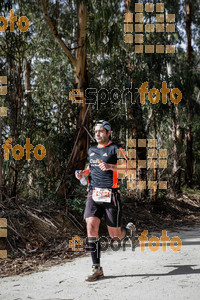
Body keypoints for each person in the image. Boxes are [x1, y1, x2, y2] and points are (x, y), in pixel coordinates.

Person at [75, 120, 136, 282]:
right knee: (91, 227)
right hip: (93, 194)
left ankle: (129, 232)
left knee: (115, 235)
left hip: (111, 195)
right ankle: (96, 268)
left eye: (101, 131)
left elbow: (130, 168)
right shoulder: (92, 150)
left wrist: (111, 167)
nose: (97, 134)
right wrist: (83, 173)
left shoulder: (116, 148)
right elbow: (92, 168)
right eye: (95, 131)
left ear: (109, 132)